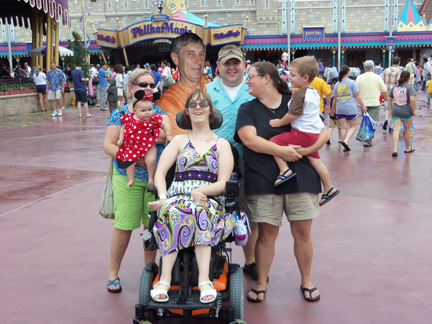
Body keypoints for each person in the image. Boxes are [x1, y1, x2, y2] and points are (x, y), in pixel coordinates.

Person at [235, 62, 328, 303]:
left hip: (302, 177)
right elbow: (249, 140)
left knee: (304, 234)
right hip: (264, 179)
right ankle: (261, 281)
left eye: (251, 77)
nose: (247, 82)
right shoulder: (248, 108)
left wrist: (310, 148)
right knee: (265, 235)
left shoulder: (297, 97)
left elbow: (322, 131)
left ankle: (306, 280)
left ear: (266, 78)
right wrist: (283, 151)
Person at [147, 88, 235, 303]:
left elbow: (223, 182)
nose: (198, 107)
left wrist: (200, 191)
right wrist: (162, 196)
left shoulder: (222, 145)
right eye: (193, 104)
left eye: (202, 104)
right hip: (176, 198)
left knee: (200, 210)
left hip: (209, 198)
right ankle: (165, 279)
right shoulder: (178, 141)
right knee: (176, 210)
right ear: (186, 111)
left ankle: (204, 279)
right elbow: (160, 173)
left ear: (210, 110)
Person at [104, 69, 170, 293]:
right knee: (123, 226)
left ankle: (149, 271)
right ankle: (113, 274)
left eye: (152, 84)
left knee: (150, 226)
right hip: (127, 178)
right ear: (131, 87)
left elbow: (165, 136)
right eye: (143, 84)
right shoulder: (119, 113)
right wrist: (133, 158)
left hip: (155, 180)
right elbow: (109, 145)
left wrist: (139, 138)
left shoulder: (158, 110)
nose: (149, 88)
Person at [206, 44, 259, 281]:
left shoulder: (256, 89)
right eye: (226, 63)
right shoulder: (206, 92)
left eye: (236, 62)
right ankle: (213, 260)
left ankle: (251, 261)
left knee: (250, 216)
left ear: (244, 65)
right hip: (212, 167)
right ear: (217, 66)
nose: (231, 67)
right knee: (212, 215)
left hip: (252, 165)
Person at [268, 56, 339, 205]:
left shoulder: (299, 94)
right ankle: (329, 188)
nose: (290, 77)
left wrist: (279, 122)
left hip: (301, 133)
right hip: (313, 134)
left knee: (273, 143)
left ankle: (284, 170)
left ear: (305, 77)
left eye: (293, 75)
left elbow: (292, 115)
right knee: (317, 162)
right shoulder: (313, 92)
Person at [116, 90, 172, 188]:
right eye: (143, 111)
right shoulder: (129, 118)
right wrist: (121, 139)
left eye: (150, 110)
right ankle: (131, 179)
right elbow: (123, 128)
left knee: (151, 160)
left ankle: (151, 177)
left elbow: (166, 125)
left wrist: (168, 135)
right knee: (130, 162)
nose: (147, 113)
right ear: (134, 111)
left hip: (149, 145)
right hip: (132, 146)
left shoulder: (154, 118)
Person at [156, 33, 207, 136]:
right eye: (190, 54)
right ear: (175, 58)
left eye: (201, 54)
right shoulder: (167, 102)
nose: (198, 60)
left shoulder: (215, 87)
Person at [331, 65, 367, 152]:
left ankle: (344, 143)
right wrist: (362, 105)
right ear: (348, 72)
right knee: (353, 126)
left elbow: (335, 98)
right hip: (350, 107)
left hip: (340, 108)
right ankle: (346, 141)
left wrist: (333, 109)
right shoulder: (352, 82)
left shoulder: (337, 84)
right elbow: (357, 95)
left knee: (343, 127)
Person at [356, 60, 388, 147]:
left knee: (366, 121)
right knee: (372, 122)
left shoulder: (359, 78)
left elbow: (356, 92)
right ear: (373, 68)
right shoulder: (378, 77)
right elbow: (384, 91)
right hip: (374, 102)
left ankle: (368, 138)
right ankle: (368, 138)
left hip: (363, 103)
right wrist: (385, 99)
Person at [388, 71, 416, 157]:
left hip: (396, 111)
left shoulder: (395, 87)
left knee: (396, 130)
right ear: (408, 78)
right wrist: (414, 111)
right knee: (407, 131)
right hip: (406, 111)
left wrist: (390, 109)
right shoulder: (409, 87)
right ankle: (407, 148)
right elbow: (412, 100)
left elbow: (389, 98)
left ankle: (395, 149)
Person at [383, 57, 402, 131]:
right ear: (399, 62)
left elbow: (383, 80)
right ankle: (391, 125)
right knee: (393, 109)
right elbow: (398, 82)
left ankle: (386, 119)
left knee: (388, 107)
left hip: (387, 91)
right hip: (394, 92)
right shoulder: (399, 71)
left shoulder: (386, 70)